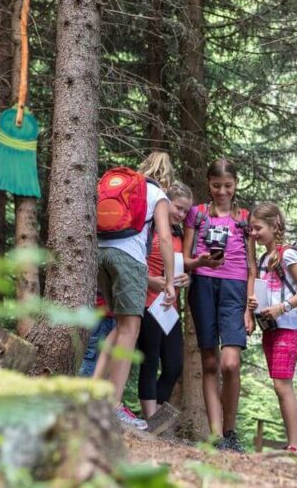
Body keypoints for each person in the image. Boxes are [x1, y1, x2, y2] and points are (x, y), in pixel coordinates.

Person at [95, 151, 176, 429]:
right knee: (131, 330)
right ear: (167, 177)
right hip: (129, 259)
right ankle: (114, 405)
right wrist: (169, 280)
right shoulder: (158, 195)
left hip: (102, 255)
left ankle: (93, 392)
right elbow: (165, 238)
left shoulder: (129, 187)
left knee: (119, 327)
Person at [182, 158, 256, 452]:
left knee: (230, 362)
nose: (222, 191)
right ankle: (216, 437)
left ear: (236, 184)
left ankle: (229, 430)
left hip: (235, 289)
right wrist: (200, 261)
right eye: (216, 186)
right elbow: (185, 260)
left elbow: (252, 266)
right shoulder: (197, 214)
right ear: (208, 185)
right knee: (210, 362)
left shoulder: (245, 218)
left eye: (227, 185)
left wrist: (249, 308)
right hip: (202, 285)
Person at [246, 202, 297, 452]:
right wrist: (256, 305)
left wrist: (282, 307)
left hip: (288, 325)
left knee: (282, 384)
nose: (254, 233)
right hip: (271, 327)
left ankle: (295, 445)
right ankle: (293, 443)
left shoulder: (288, 255)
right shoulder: (264, 258)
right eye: (251, 229)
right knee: (279, 386)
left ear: (274, 225)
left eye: (258, 228)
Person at [136, 181, 196, 419]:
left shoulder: (179, 234)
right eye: (178, 208)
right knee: (150, 360)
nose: (181, 215)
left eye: (185, 211)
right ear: (165, 202)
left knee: (173, 365)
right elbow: (133, 264)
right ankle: (150, 417)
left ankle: (155, 415)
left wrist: (186, 278)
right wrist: (150, 281)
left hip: (169, 308)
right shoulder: (149, 228)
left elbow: (179, 266)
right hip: (147, 303)